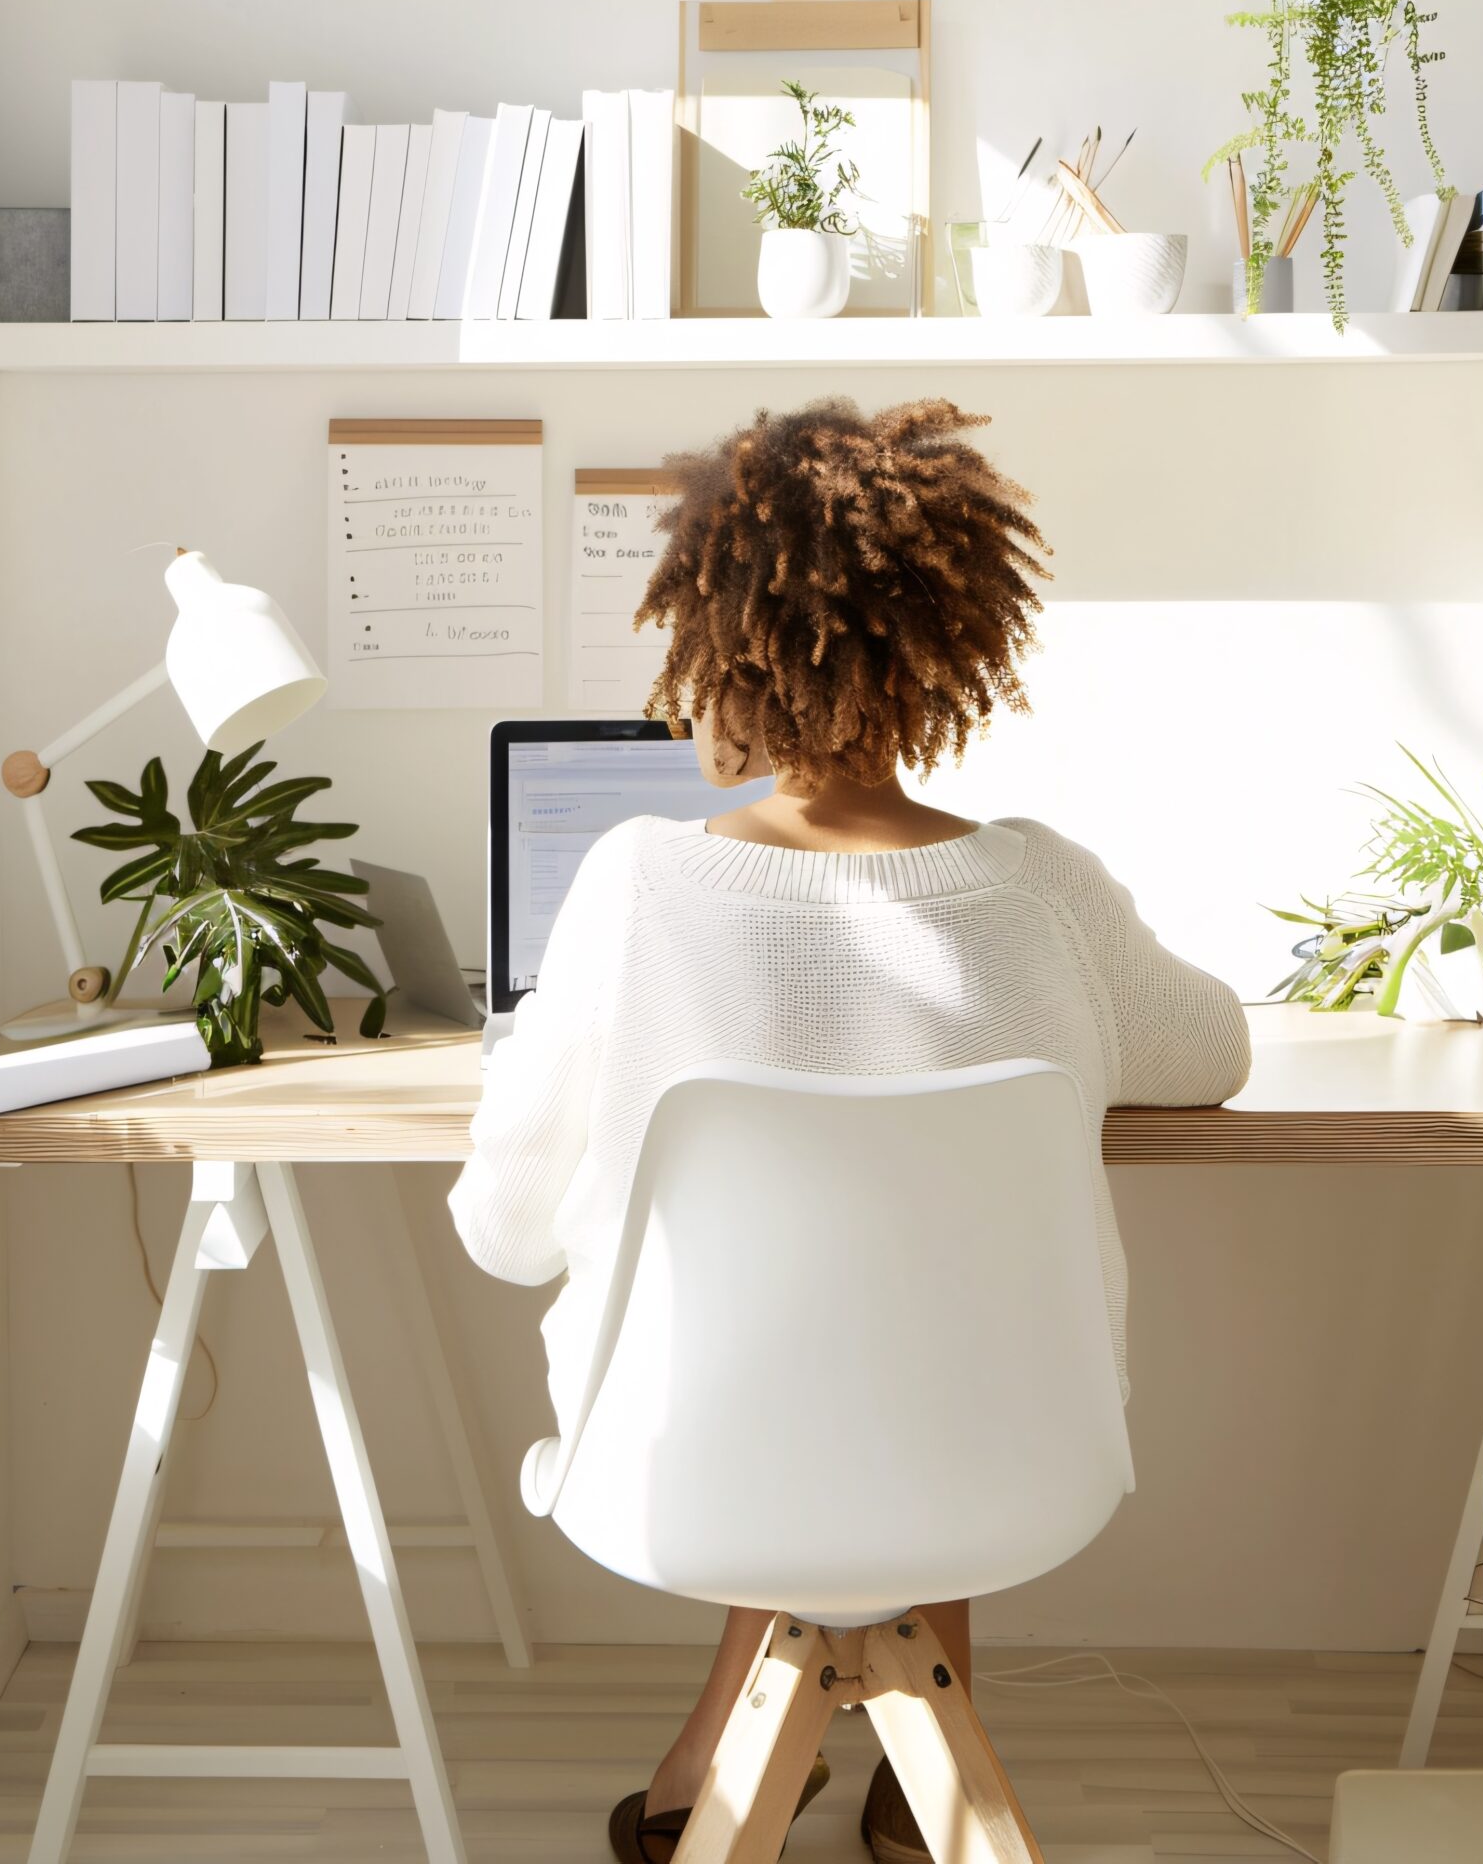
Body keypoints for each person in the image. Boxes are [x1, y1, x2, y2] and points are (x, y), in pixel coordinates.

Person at [449, 398, 1250, 1864]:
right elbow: (1213, 1053)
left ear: (716, 643)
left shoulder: (635, 888)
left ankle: (741, 1763)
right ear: (959, 638)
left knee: (794, 1338)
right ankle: (904, 1769)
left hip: (696, 1463)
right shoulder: (1037, 890)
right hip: (1011, 1460)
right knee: (913, 1325)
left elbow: (503, 1240)